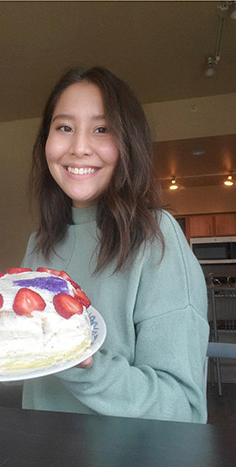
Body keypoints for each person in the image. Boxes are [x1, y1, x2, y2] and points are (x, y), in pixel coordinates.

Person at [21, 66, 209, 423]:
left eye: (102, 129)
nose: (79, 148)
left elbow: (182, 408)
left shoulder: (157, 238)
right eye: (64, 127)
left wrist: (80, 363)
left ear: (128, 142)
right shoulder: (40, 242)